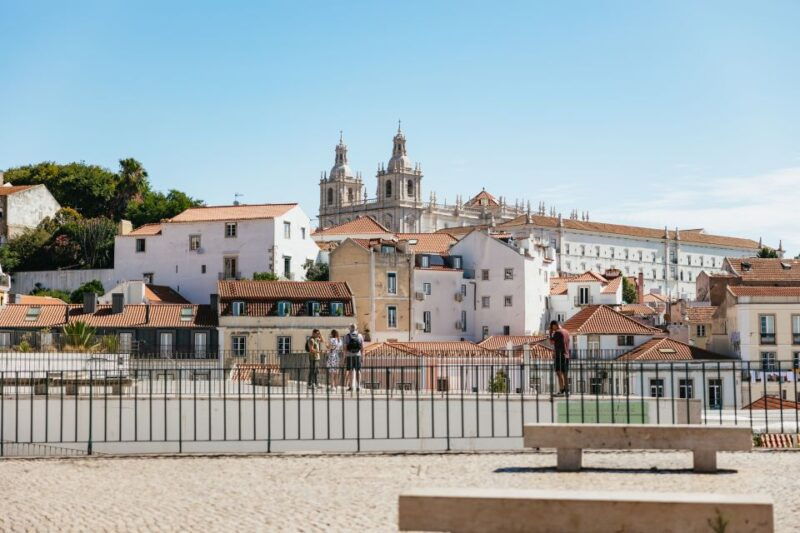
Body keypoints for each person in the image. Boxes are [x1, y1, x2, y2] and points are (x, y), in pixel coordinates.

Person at [549, 320, 571, 396]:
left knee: (559, 372)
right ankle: (567, 390)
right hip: (566, 355)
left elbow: (551, 342)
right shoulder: (566, 332)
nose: (552, 329)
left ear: (554, 325)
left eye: (552, 327)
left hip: (559, 355)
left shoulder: (557, 332)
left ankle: (562, 390)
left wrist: (550, 333)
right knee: (565, 373)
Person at [343, 323, 364, 391]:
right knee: (358, 371)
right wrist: (362, 356)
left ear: (350, 328)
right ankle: (358, 386)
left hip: (349, 355)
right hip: (358, 355)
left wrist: (345, 357)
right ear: (356, 328)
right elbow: (362, 347)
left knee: (350, 371)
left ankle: (351, 386)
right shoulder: (360, 336)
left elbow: (345, 348)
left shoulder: (346, 336)